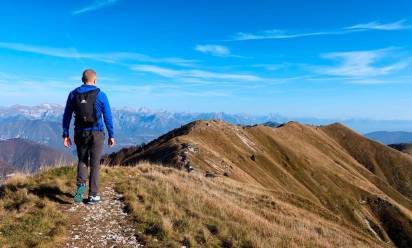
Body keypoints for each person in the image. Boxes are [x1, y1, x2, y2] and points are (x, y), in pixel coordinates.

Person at [62, 69, 115, 204]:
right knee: (95, 164)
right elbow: (108, 116)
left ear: (82, 79)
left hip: (80, 133)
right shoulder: (101, 95)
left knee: (82, 160)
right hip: (96, 133)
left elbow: (67, 115)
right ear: (95, 80)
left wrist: (65, 134)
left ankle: (80, 188)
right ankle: (93, 195)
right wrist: (111, 135)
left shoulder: (73, 94)